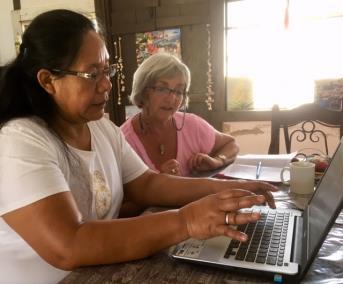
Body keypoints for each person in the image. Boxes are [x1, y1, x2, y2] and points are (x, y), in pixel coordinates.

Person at [0, 9, 277, 284]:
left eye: (107, 71)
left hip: (103, 272)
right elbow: (68, 245)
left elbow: (147, 184)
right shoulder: (19, 141)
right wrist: (186, 221)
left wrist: (227, 189)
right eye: (92, 74)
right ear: (48, 80)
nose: (106, 84)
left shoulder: (101, 128)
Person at [121, 53, 239, 177]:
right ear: (143, 91)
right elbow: (119, 194)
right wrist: (158, 182)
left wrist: (217, 161)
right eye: (162, 89)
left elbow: (231, 144)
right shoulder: (123, 140)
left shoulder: (193, 125)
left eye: (179, 91)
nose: (172, 99)